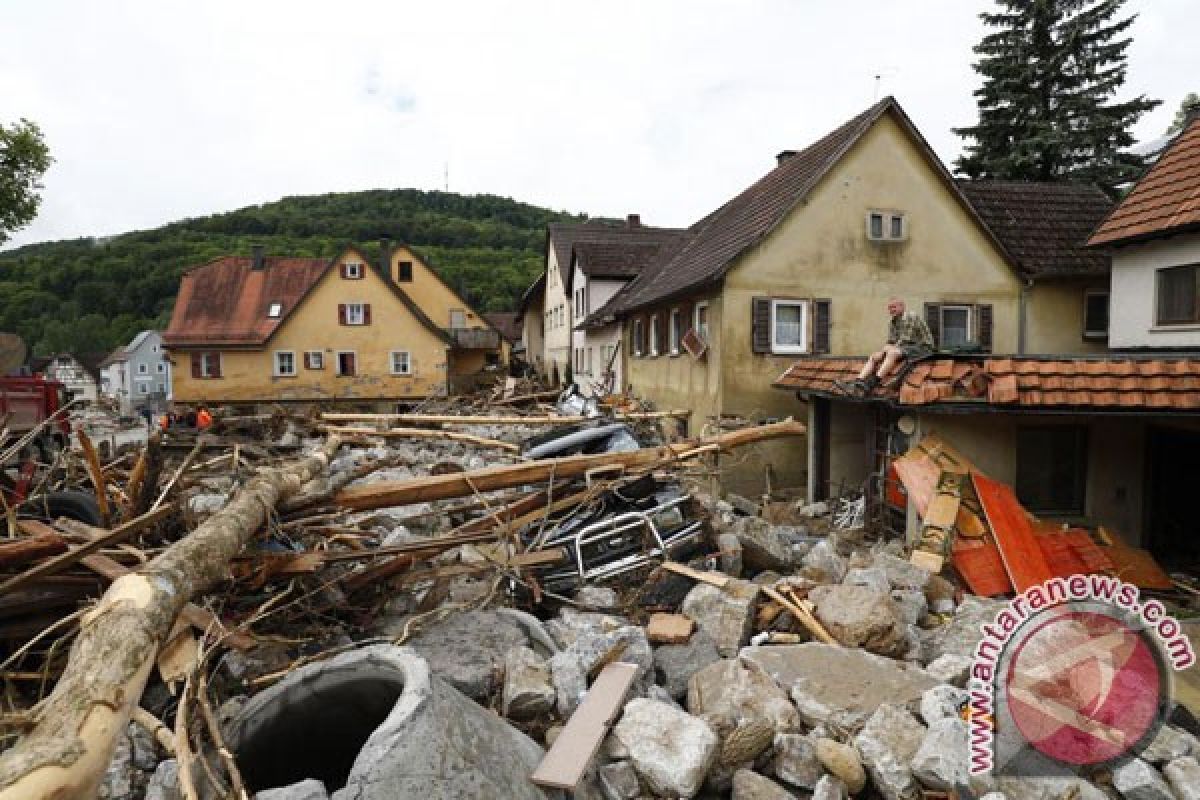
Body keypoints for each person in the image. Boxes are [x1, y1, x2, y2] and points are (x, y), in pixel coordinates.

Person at [836, 298, 934, 396]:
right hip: (906, 348)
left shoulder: (911, 316)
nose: (891, 310)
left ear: (902, 306)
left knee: (892, 353)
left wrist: (886, 350)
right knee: (874, 356)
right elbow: (891, 341)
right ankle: (857, 382)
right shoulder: (892, 322)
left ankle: (873, 383)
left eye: (894, 307)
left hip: (923, 348)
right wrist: (881, 352)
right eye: (889, 308)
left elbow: (905, 339)